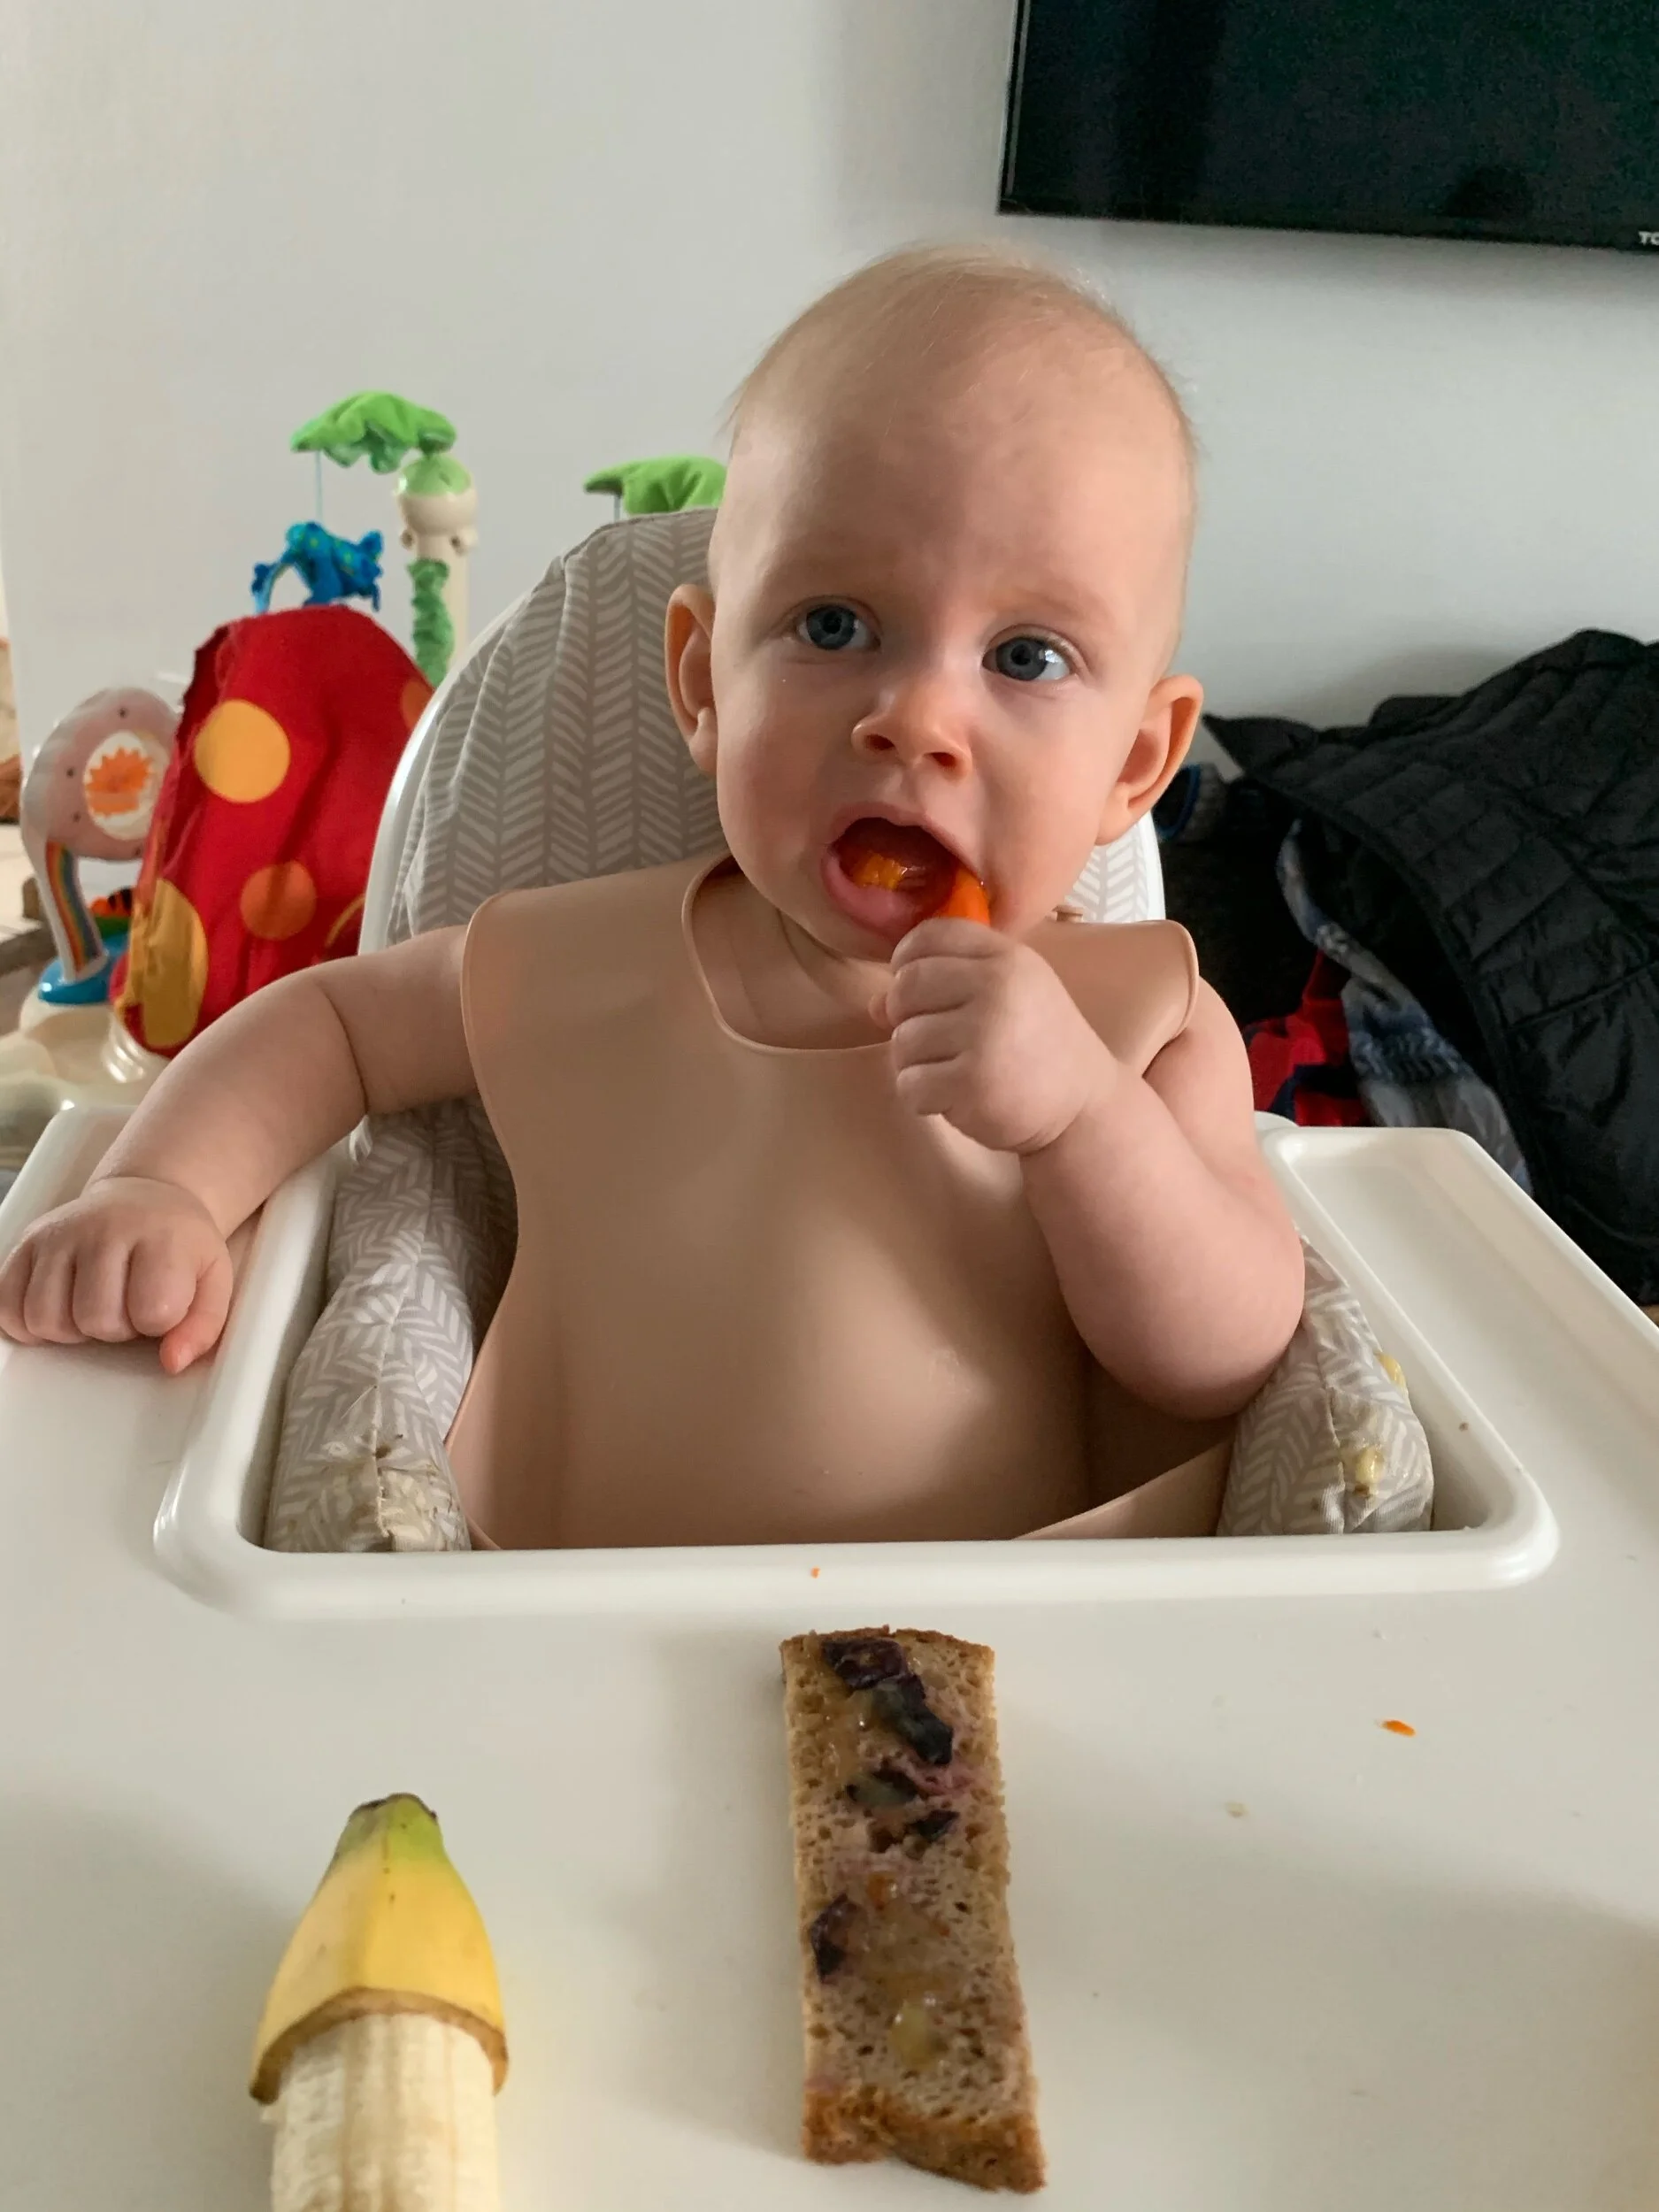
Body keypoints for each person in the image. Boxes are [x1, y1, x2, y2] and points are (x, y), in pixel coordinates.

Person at [0, 245, 1303, 1548]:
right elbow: (330, 1024)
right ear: (704, 684)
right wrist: (161, 1189)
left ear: (1135, 762)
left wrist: (1080, 1123)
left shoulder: (1141, 1029)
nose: (915, 719)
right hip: (561, 1609)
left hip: (1019, 1620)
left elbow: (1222, 1361)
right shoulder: (587, 963)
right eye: (835, 627)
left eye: (1026, 656)